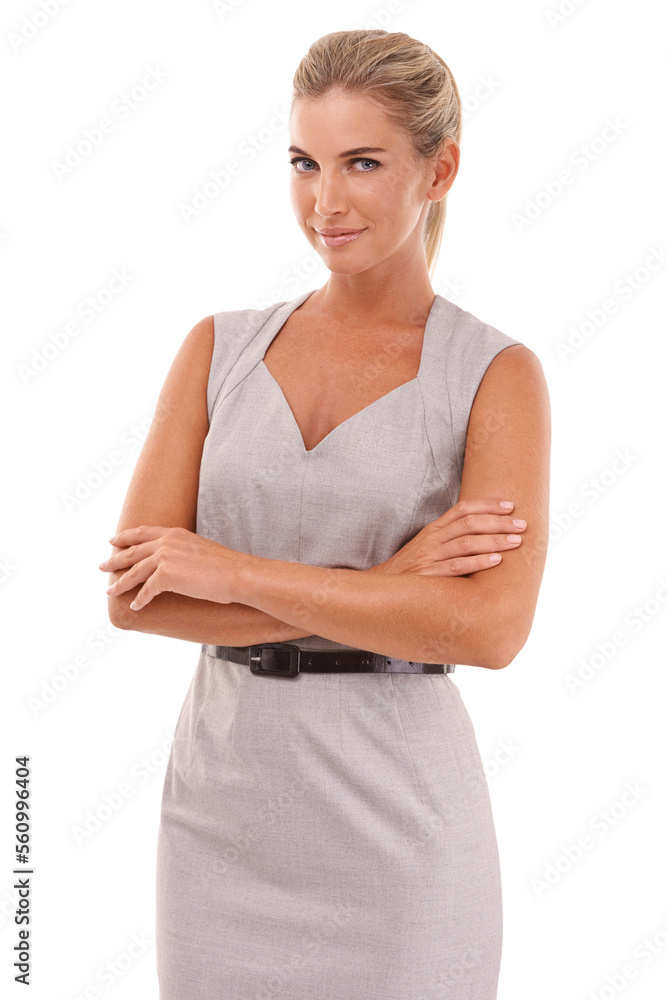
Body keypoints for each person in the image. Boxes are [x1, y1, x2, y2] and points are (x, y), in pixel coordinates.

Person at [99, 28, 550, 1000]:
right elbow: (135, 599)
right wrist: (390, 587)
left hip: (399, 834)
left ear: (441, 169)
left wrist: (232, 573)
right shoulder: (215, 350)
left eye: (362, 164)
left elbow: (489, 627)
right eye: (304, 163)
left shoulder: (492, 375)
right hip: (220, 819)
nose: (325, 201)